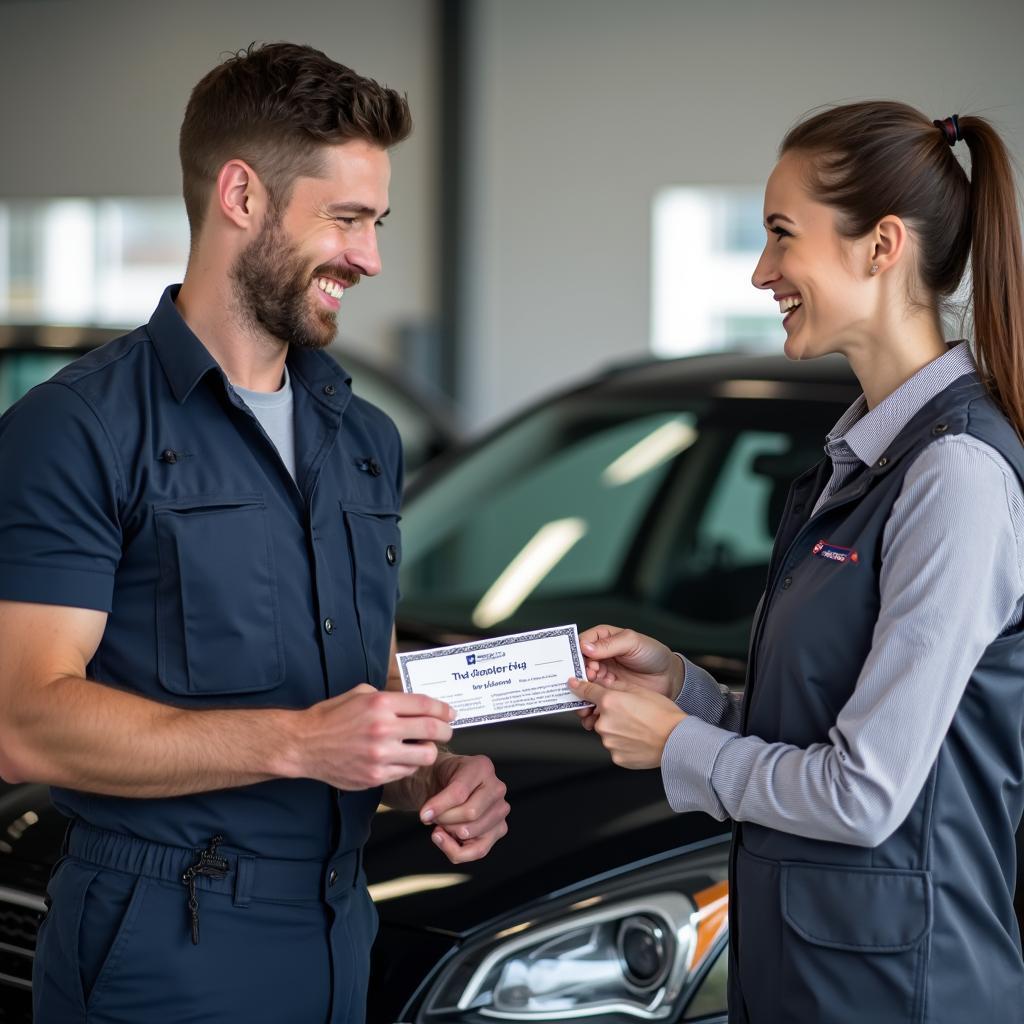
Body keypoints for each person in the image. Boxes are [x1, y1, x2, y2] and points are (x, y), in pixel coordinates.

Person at [0, 42, 509, 1024]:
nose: (368, 257)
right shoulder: (81, 428)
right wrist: (298, 744)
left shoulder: (361, 437)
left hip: (334, 929)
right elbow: (22, 722)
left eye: (377, 223)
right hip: (162, 940)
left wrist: (432, 775)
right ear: (241, 195)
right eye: (347, 220)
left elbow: (365, 693)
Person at [568, 101, 1024, 1023]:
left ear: (880, 246)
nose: (761, 270)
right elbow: (822, 729)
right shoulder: (858, 459)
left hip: (904, 994)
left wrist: (676, 745)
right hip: (814, 985)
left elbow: (863, 792)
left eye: (783, 235)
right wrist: (686, 689)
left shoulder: (956, 478)